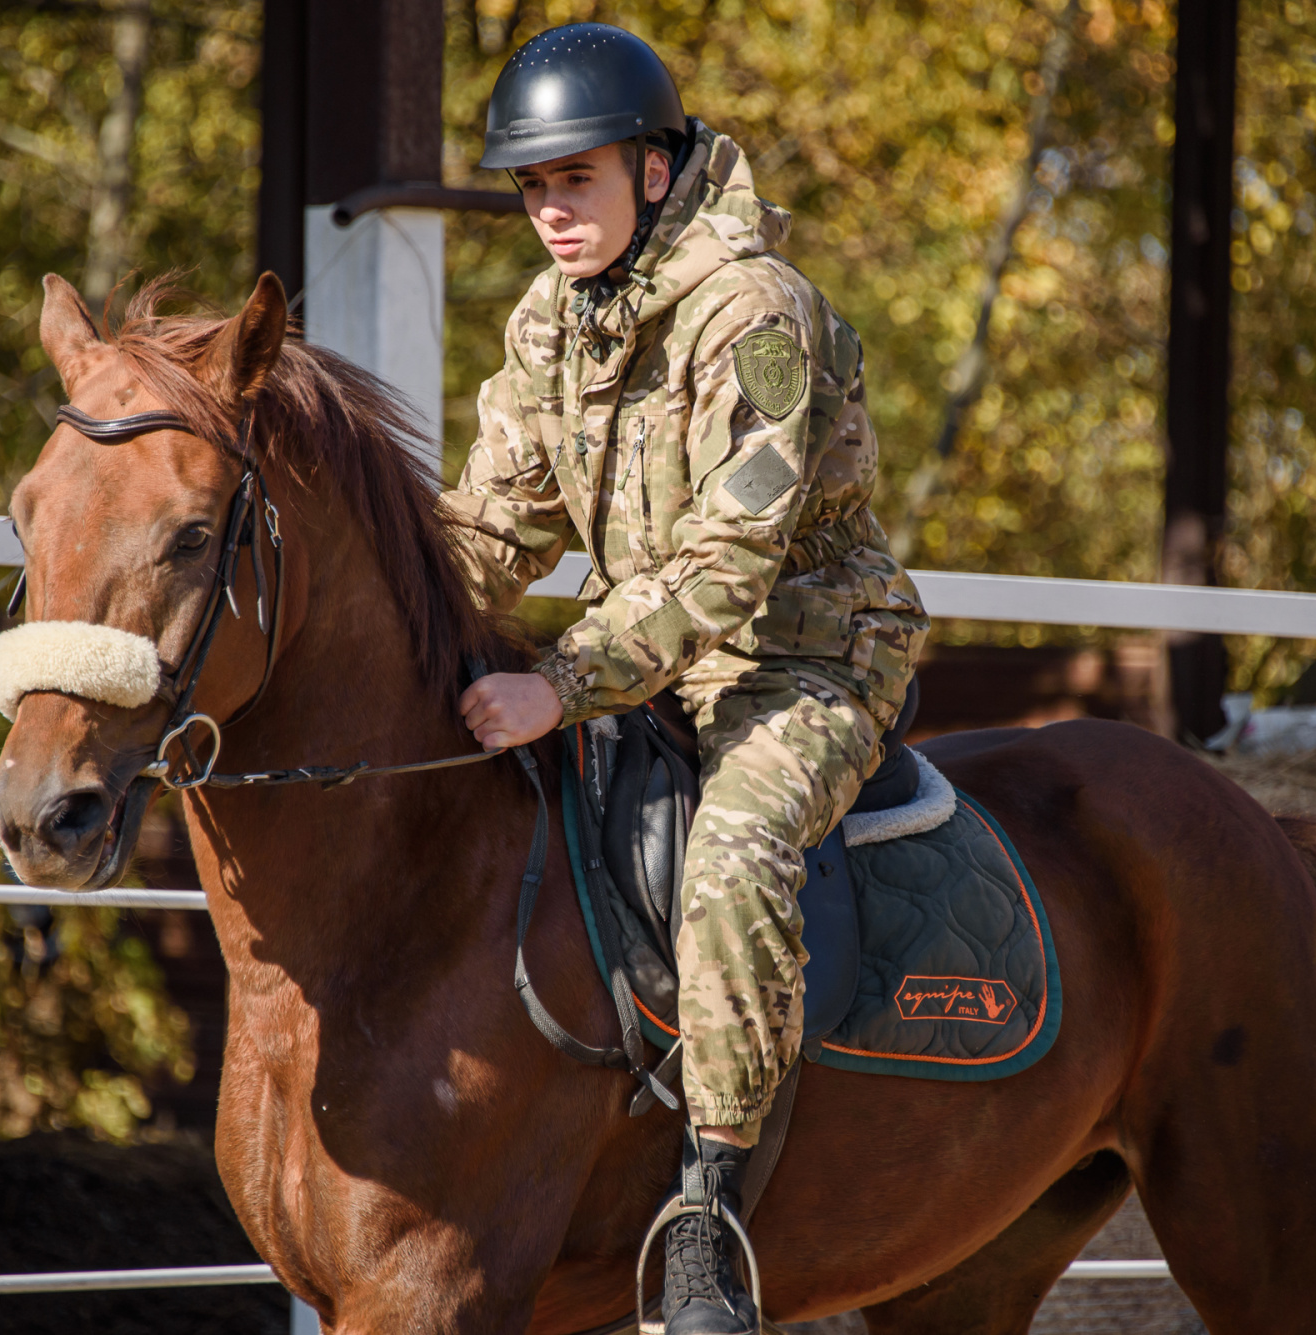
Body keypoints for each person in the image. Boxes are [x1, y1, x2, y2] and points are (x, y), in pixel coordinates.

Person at [442, 23, 927, 1335]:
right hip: (643, 671)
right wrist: (394, 607)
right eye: (532, 187)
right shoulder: (551, 320)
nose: (550, 211)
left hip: (806, 662)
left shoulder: (757, 313)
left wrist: (564, 678)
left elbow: (732, 561)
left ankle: (708, 1213)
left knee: (734, 853)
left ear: (654, 173)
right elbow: (497, 522)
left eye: (576, 180)